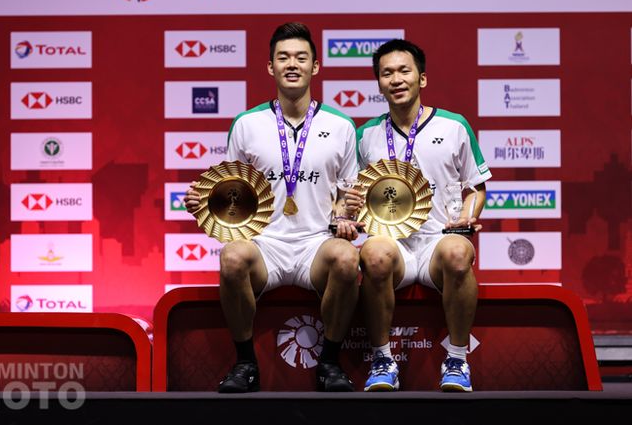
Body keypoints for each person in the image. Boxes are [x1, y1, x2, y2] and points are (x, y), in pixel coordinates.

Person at [184, 22, 364, 393]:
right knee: (232, 257)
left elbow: (348, 194)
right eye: (283, 58)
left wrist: (346, 219)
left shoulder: (342, 125)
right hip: (264, 244)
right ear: (271, 67)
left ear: (316, 66)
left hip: (316, 243)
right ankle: (245, 363)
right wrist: (206, 204)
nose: (292, 64)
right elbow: (230, 190)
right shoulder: (247, 124)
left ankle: (329, 363)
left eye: (301, 57)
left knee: (347, 259)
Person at [354, 38, 491, 392]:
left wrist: (466, 214)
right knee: (374, 253)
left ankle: (457, 360)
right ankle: (383, 359)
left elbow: (475, 187)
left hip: (437, 241)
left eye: (404, 70)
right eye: (387, 73)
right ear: (379, 83)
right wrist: (347, 209)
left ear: (422, 78)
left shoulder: (454, 126)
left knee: (458, 253)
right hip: (392, 242)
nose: (396, 79)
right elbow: (350, 194)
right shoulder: (365, 134)